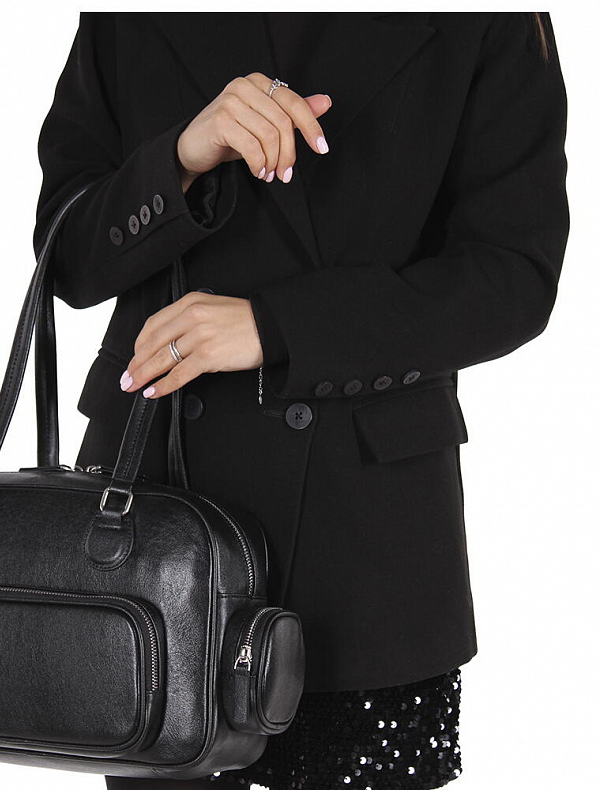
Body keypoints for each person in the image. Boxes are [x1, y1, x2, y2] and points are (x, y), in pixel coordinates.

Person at [33, 12, 569, 790]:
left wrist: (278, 326)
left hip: (364, 534)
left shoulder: (486, 18)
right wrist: (181, 159)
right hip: (160, 526)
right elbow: (67, 257)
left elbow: (512, 277)